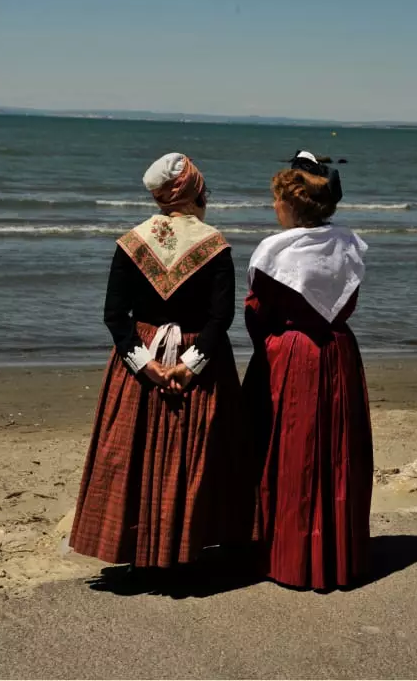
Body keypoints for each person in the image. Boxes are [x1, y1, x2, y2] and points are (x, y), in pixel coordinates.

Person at [70, 153, 252, 579]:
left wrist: (145, 364)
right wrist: (190, 365)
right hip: (199, 356)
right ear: (193, 193)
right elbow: (220, 318)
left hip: (143, 354)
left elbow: (115, 316)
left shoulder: (132, 242)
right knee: (200, 452)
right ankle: (189, 545)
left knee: (134, 452)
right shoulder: (214, 244)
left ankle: (138, 549)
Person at [243, 150, 373, 591]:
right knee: (337, 451)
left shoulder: (276, 252)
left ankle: (292, 557)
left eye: (277, 200)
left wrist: (268, 346)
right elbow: (347, 301)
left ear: (292, 205)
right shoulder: (348, 245)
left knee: (292, 451)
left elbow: (257, 311)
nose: (273, 207)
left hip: (293, 353)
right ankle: (337, 555)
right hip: (339, 350)